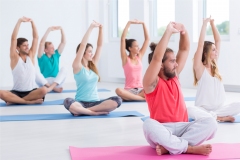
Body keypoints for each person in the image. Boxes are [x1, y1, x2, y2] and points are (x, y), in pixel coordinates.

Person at [142, 22, 217, 156]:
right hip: (163, 129)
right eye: (172, 61)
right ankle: (189, 148)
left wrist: (184, 31)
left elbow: (184, 49)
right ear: (160, 65)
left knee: (211, 123)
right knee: (148, 124)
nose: (176, 64)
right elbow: (157, 58)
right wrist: (168, 32)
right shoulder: (151, 83)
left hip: (183, 127)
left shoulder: (175, 76)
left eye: (175, 60)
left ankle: (171, 146)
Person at [63, 21, 122, 116]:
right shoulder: (77, 66)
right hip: (80, 102)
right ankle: (93, 113)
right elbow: (83, 45)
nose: (92, 53)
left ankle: (84, 111)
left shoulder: (93, 64)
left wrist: (101, 29)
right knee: (67, 101)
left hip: (95, 103)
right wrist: (90, 28)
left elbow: (100, 45)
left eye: (92, 51)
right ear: (82, 53)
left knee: (117, 100)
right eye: (89, 52)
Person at [189, 16, 240, 122]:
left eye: (216, 49)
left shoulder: (215, 64)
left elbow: (218, 40)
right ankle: (218, 117)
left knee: (238, 105)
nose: (216, 52)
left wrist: (212, 24)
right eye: (213, 50)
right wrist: (204, 24)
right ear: (206, 53)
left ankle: (214, 116)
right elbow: (200, 45)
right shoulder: (199, 68)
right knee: (190, 110)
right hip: (203, 109)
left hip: (220, 109)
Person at [0, 17, 47, 105]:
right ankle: (28, 102)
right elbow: (13, 38)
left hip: (31, 92)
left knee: (44, 89)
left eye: (27, 45)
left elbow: (36, 37)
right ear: (17, 48)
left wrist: (32, 22)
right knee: (1, 93)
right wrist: (19, 21)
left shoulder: (31, 56)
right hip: (16, 92)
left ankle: (16, 101)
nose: (27, 47)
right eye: (24, 46)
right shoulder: (15, 57)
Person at [115, 20, 150, 101]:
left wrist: (143, 23)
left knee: (154, 88)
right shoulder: (125, 59)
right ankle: (142, 99)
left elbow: (147, 39)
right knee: (118, 90)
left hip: (141, 90)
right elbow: (123, 39)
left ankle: (135, 98)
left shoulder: (139, 56)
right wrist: (129, 23)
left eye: (138, 46)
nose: (139, 47)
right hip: (129, 90)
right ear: (130, 48)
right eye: (136, 46)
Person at [36, 26, 67, 93]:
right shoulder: (41, 57)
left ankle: (51, 88)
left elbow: (63, 42)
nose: (53, 49)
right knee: (34, 71)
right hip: (45, 82)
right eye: (51, 48)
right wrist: (48, 30)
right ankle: (54, 89)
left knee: (64, 69)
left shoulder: (56, 55)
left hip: (56, 82)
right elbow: (41, 43)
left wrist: (61, 29)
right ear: (46, 50)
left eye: (53, 47)